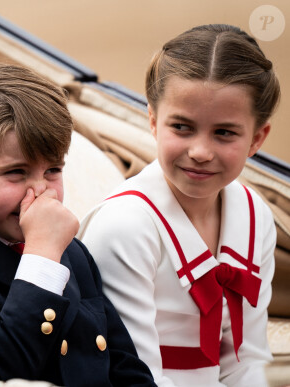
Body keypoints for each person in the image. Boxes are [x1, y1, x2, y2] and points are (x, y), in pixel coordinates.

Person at [0, 63, 155, 386]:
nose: (41, 191)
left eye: (53, 170)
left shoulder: (72, 251)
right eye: (16, 172)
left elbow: (125, 367)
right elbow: (1, 369)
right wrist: (41, 256)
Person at [78, 24, 280, 386]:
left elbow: (248, 359)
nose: (200, 152)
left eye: (224, 132)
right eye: (182, 127)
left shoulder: (255, 215)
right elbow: (134, 376)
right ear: (153, 121)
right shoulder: (125, 226)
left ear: (257, 138)